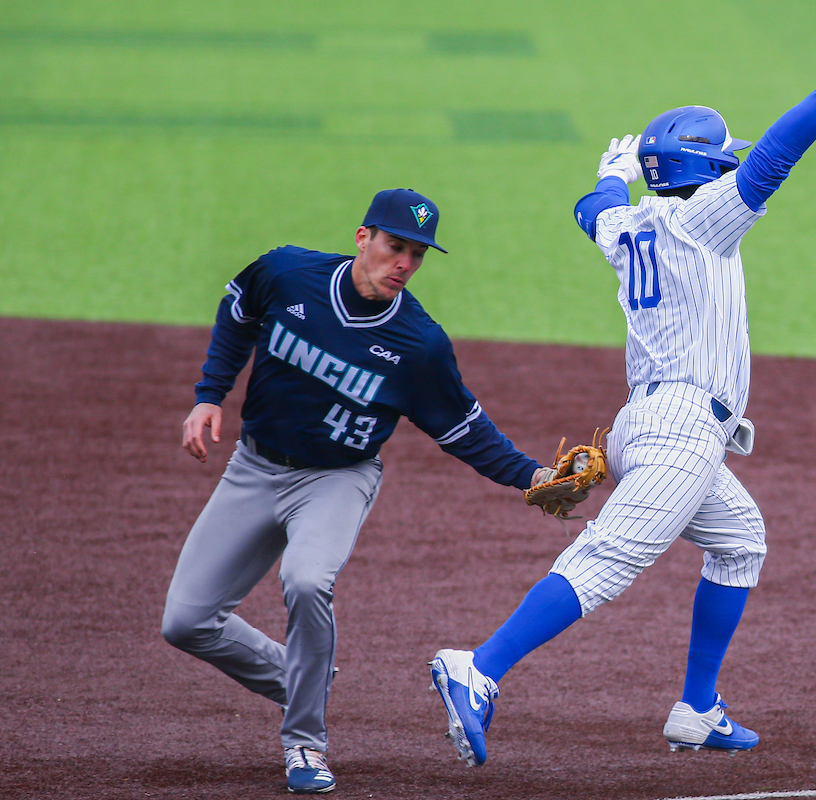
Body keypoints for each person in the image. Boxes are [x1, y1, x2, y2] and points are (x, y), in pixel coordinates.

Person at [429, 10, 816, 766]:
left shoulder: (630, 222)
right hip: (677, 429)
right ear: (704, 171)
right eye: (721, 160)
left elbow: (592, 210)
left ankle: (697, 709)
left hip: (644, 425)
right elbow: (777, 156)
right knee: (608, 559)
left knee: (739, 542)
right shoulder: (708, 218)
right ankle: (477, 669)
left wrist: (612, 174)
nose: (732, 169)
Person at [161, 188, 555, 794]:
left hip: (338, 478)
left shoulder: (418, 345)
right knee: (186, 622)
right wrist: (209, 394)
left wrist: (532, 476)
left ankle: (305, 745)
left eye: (418, 255)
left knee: (308, 579)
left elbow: (464, 430)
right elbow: (237, 313)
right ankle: (307, 674)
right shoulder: (288, 273)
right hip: (254, 467)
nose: (405, 264)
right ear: (362, 238)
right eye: (396, 247)